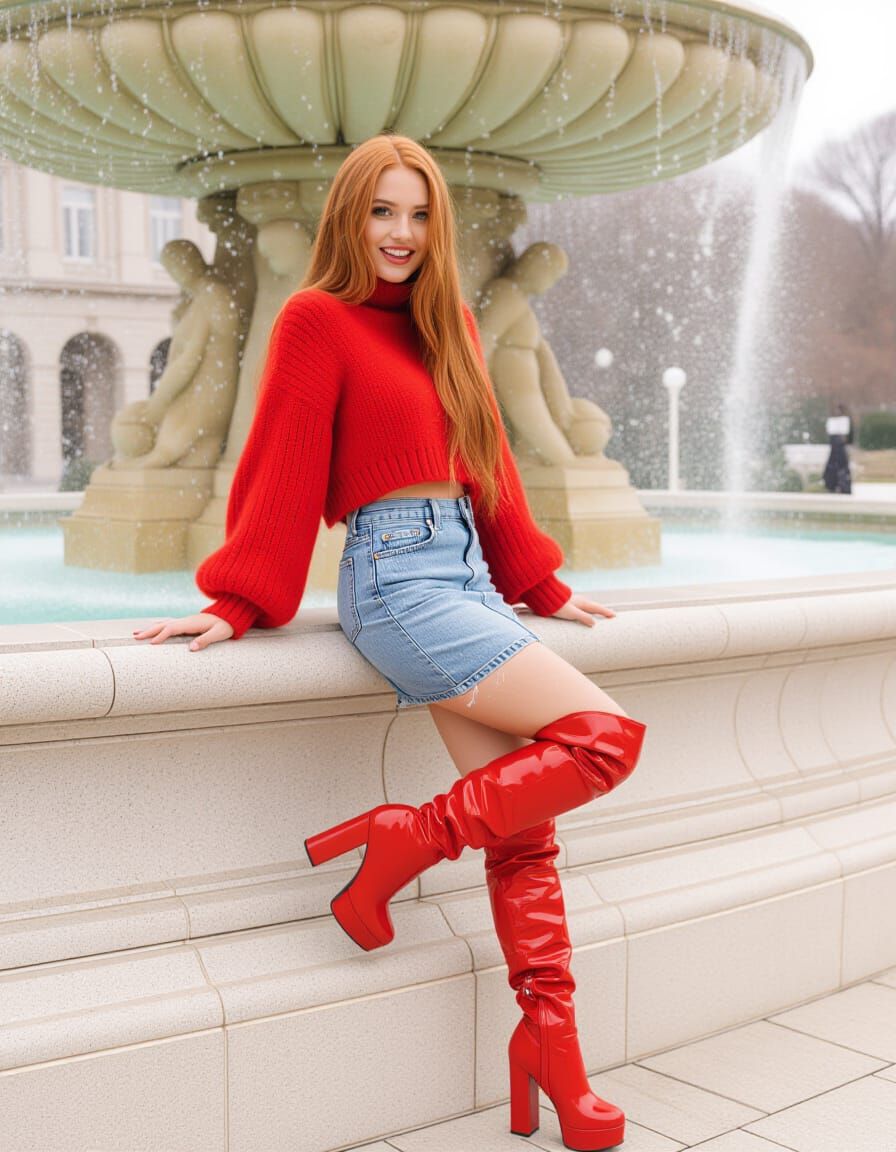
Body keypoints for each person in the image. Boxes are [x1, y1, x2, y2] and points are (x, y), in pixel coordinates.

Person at [133, 133, 646, 1152]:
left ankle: (553, 1050)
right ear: (347, 218)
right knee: (604, 737)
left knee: (524, 835)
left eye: (417, 214)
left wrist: (536, 581)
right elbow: (278, 464)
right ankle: (402, 841)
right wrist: (236, 599)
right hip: (394, 578)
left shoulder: (446, 319)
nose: (401, 234)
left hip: (461, 574)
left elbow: (489, 462)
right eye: (381, 213)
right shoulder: (314, 319)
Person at [823, 403, 853, 495]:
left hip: (840, 447)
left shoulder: (844, 420)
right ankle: (832, 485)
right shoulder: (832, 421)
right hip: (834, 447)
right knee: (833, 466)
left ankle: (843, 486)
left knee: (841, 467)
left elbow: (845, 436)